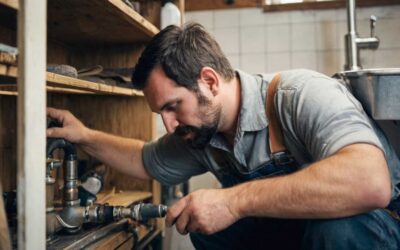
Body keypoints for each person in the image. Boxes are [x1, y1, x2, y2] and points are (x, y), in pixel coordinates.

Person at [47, 23, 400, 249]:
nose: (169, 125)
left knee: (338, 232)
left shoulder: (300, 96)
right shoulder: (202, 133)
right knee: (206, 226)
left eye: (173, 106)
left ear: (210, 81)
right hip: (304, 234)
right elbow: (145, 159)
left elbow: (371, 182)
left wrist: (233, 201)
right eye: (161, 114)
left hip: (378, 228)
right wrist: (84, 135)